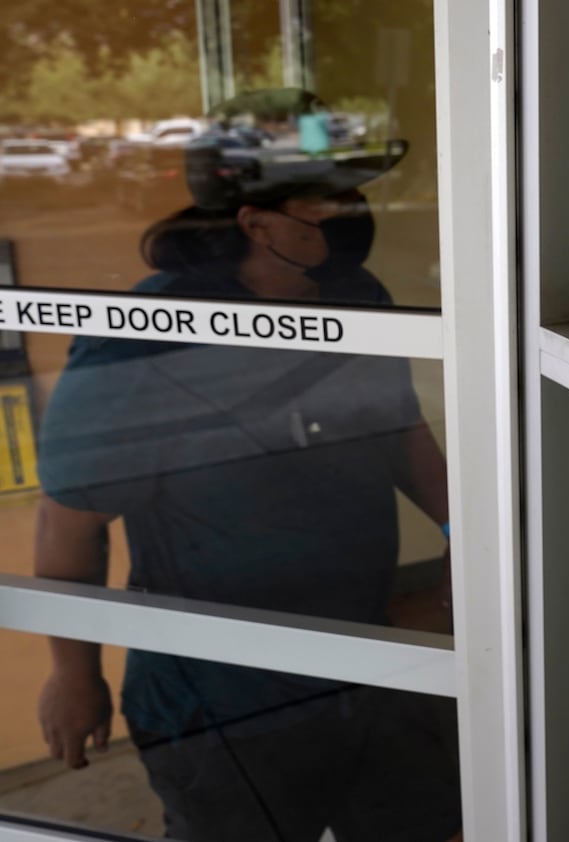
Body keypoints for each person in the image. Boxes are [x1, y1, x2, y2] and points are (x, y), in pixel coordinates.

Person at [33, 90, 462, 842]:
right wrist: (76, 673)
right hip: (223, 699)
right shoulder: (146, 340)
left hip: (367, 659)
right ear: (256, 223)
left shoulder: (354, 298)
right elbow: (70, 520)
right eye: (326, 200)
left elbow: (399, 432)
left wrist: (469, 537)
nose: (354, 212)